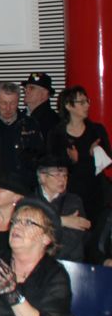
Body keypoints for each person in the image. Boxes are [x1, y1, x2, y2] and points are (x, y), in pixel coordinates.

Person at [48, 85, 111, 218]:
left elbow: (108, 161)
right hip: (70, 192)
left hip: (96, 192)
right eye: (81, 102)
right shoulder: (57, 134)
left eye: (87, 101)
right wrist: (71, 161)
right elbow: (51, 163)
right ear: (68, 106)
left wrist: (96, 153)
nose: (87, 105)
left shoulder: (96, 130)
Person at [0, 81, 44, 187]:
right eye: (4, 103)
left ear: (18, 101)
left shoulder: (30, 124)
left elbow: (40, 156)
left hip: (24, 184)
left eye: (13, 103)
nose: (8, 108)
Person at [35, 154, 89, 262]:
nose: (62, 180)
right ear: (42, 177)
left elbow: (69, 239)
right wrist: (61, 221)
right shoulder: (31, 200)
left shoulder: (73, 202)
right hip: (34, 262)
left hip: (67, 262)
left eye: (65, 175)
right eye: (57, 175)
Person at [22, 72, 59, 140]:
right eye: (26, 87)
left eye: (32, 88)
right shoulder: (20, 116)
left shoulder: (52, 121)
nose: (26, 91)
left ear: (44, 94)